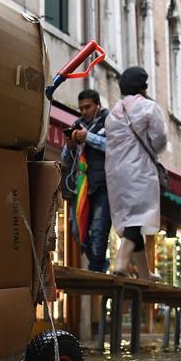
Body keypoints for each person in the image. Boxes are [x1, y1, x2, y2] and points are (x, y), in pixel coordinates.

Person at [105, 66, 166, 280]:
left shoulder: (113, 113)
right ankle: (121, 262)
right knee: (137, 217)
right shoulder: (149, 107)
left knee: (132, 217)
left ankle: (144, 272)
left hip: (115, 172)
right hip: (139, 170)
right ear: (143, 87)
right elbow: (159, 139)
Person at [61, 90, 111, 272]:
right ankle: (99, 265)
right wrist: (70, 145)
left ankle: (97, 268)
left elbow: (113, 146)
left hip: (103, 186)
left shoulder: (110, 121)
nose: (83, 111)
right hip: (81, 187)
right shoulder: (76, 125)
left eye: (87, 107)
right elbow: (65, 157)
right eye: (81, 108)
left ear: (98, 105)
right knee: (77, 231)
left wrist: (87, 137)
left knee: (99, 230)